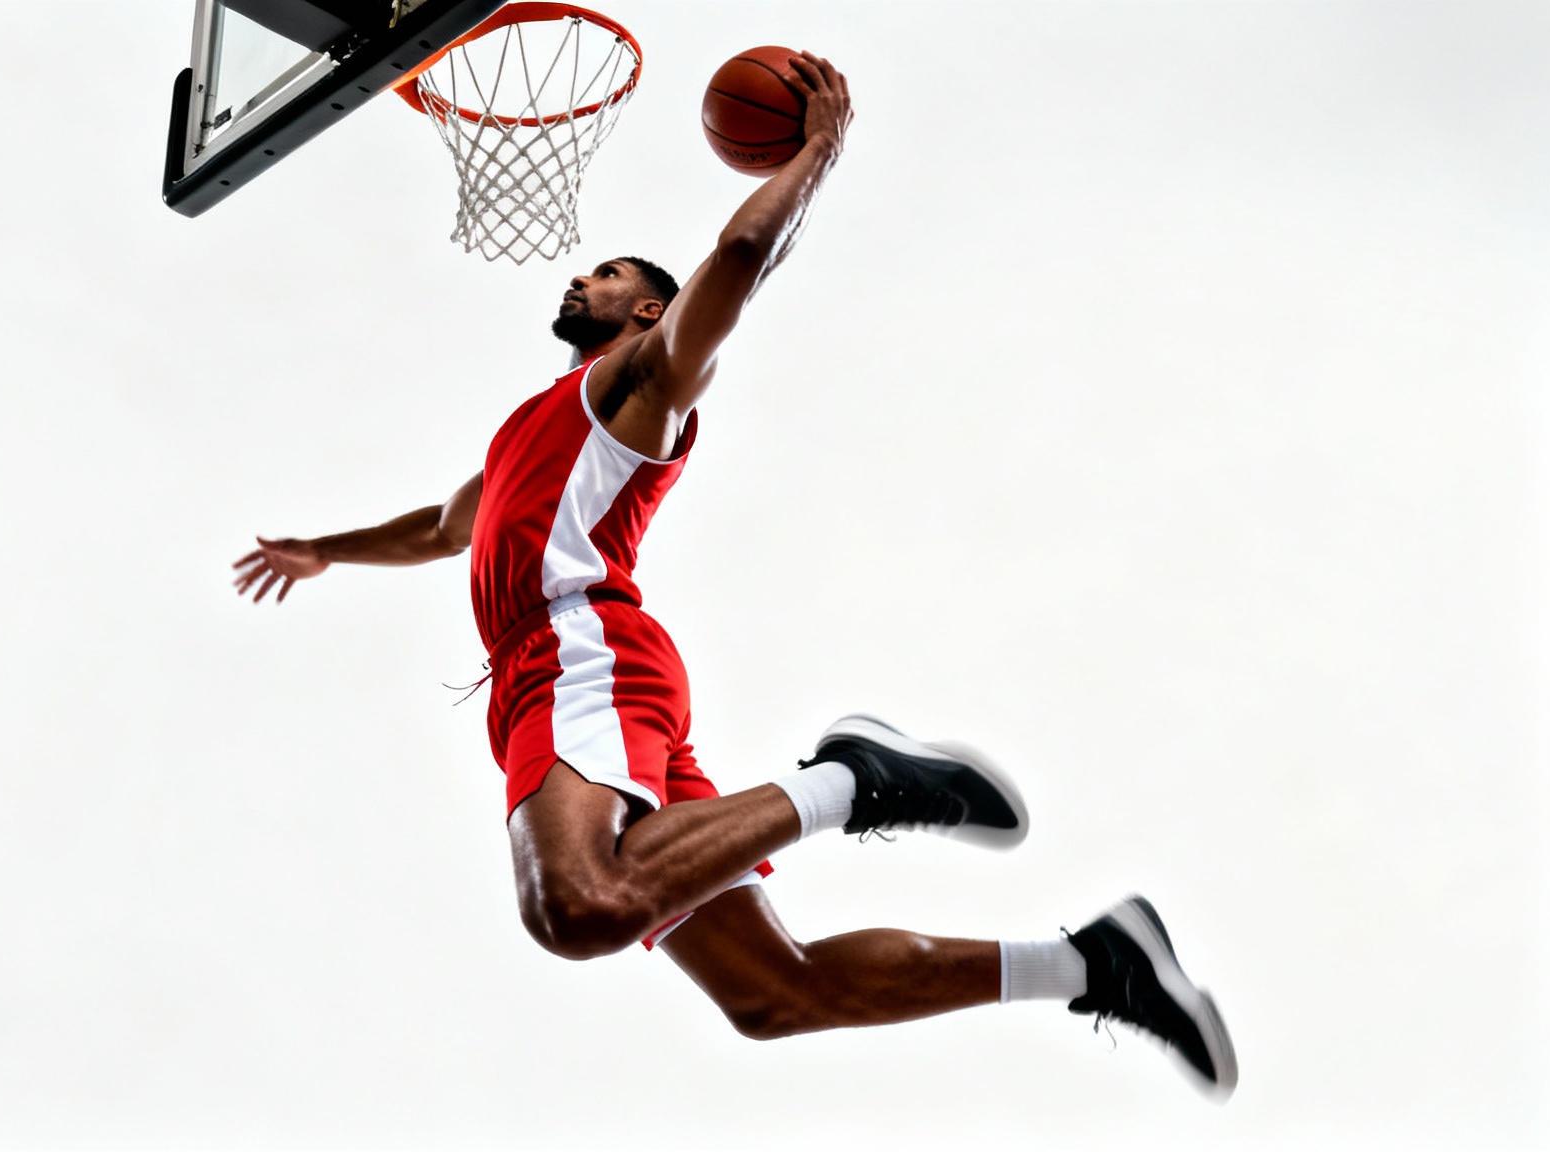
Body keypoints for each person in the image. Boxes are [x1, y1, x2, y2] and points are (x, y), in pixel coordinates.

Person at [231, 52, 1236, 1097]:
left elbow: (744, 249)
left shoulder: (637, 388)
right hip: (566, 677)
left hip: (579, 649)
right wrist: (325, 551)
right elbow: (442, 528)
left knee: (574, 907)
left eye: (611, 273)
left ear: (646, 315)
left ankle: (856, 778)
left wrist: (816, 151)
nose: (584, 277)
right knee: (774, 995)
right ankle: (1091, 964)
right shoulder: (526, 434)